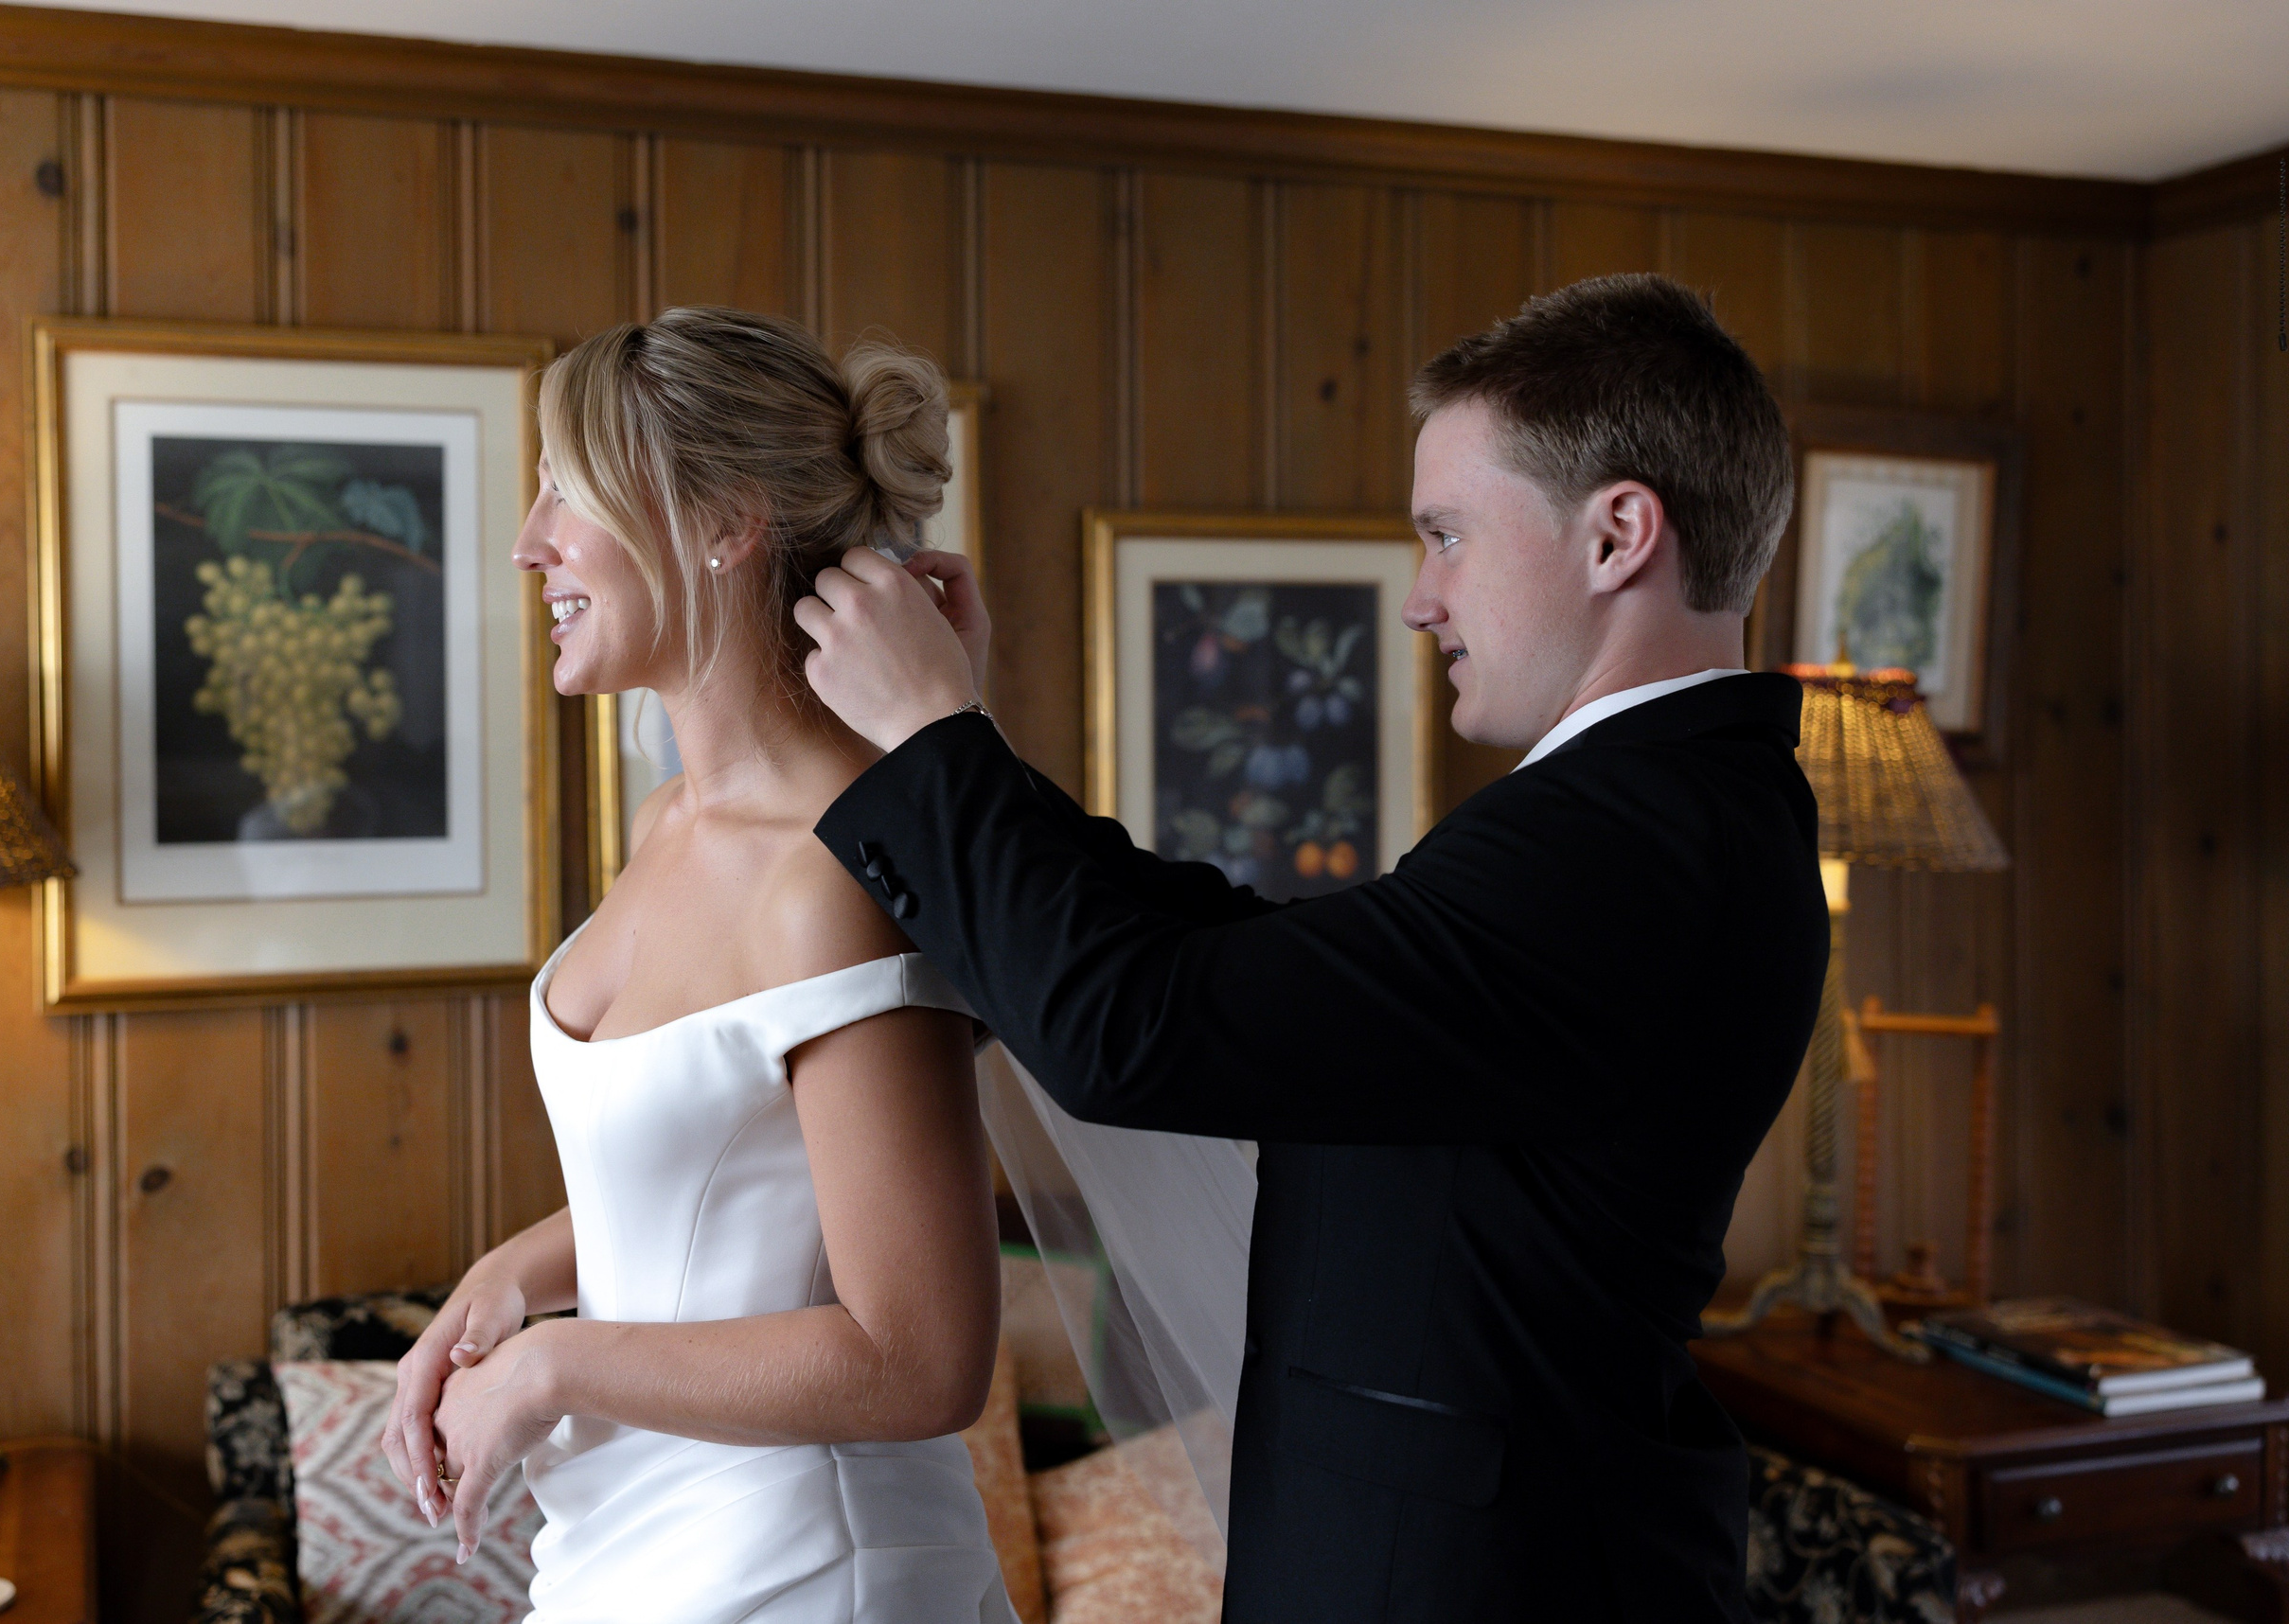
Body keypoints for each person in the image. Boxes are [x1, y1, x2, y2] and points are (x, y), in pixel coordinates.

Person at [795, 274, 1832, 1622]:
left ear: (1618, 533)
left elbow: (1137, 1034)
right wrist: (963, 747)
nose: (1421, 597)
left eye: (1448, 535)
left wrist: (938, 747)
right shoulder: (1660, 810)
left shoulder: (1628, 842)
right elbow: (1253, 958)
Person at [378, 308, 1017, 1624]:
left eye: (567, 490)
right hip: (627, 1550)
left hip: (801, 1566)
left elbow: (920, 1357)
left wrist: (557, 1369)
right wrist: (508, 1276)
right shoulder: (666, 827)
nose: (528, 542)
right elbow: (727, 1181)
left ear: (726, 523)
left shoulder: (838, 870)